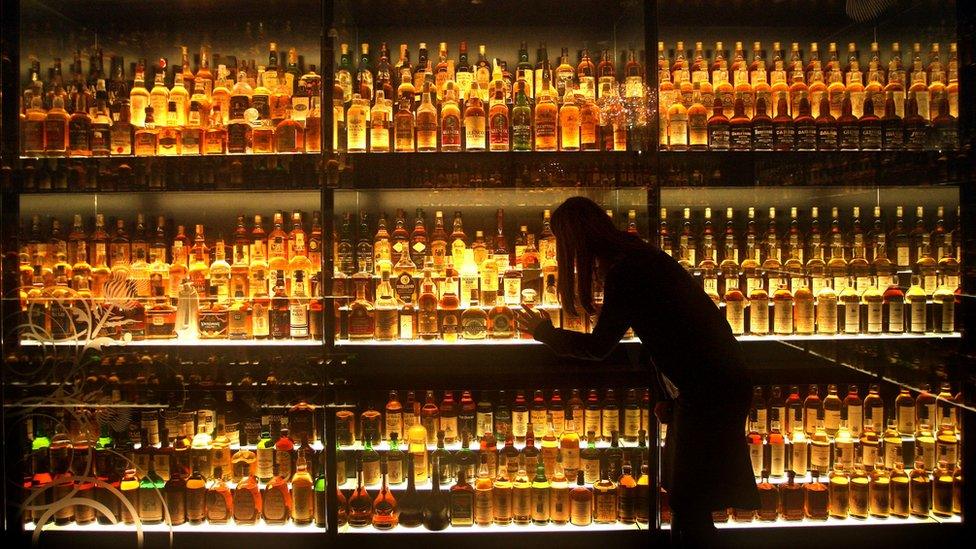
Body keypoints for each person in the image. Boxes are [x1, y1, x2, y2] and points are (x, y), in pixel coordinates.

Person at [516, 197, 758, 547]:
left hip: (709, 390)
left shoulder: (627, 269)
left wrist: (544, 332)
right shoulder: (636, 256)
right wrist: (667, 396)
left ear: (575, 241)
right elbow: (669, 332)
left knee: (688, 501)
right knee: (688, 497)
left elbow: (599, 347)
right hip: (710, 384)